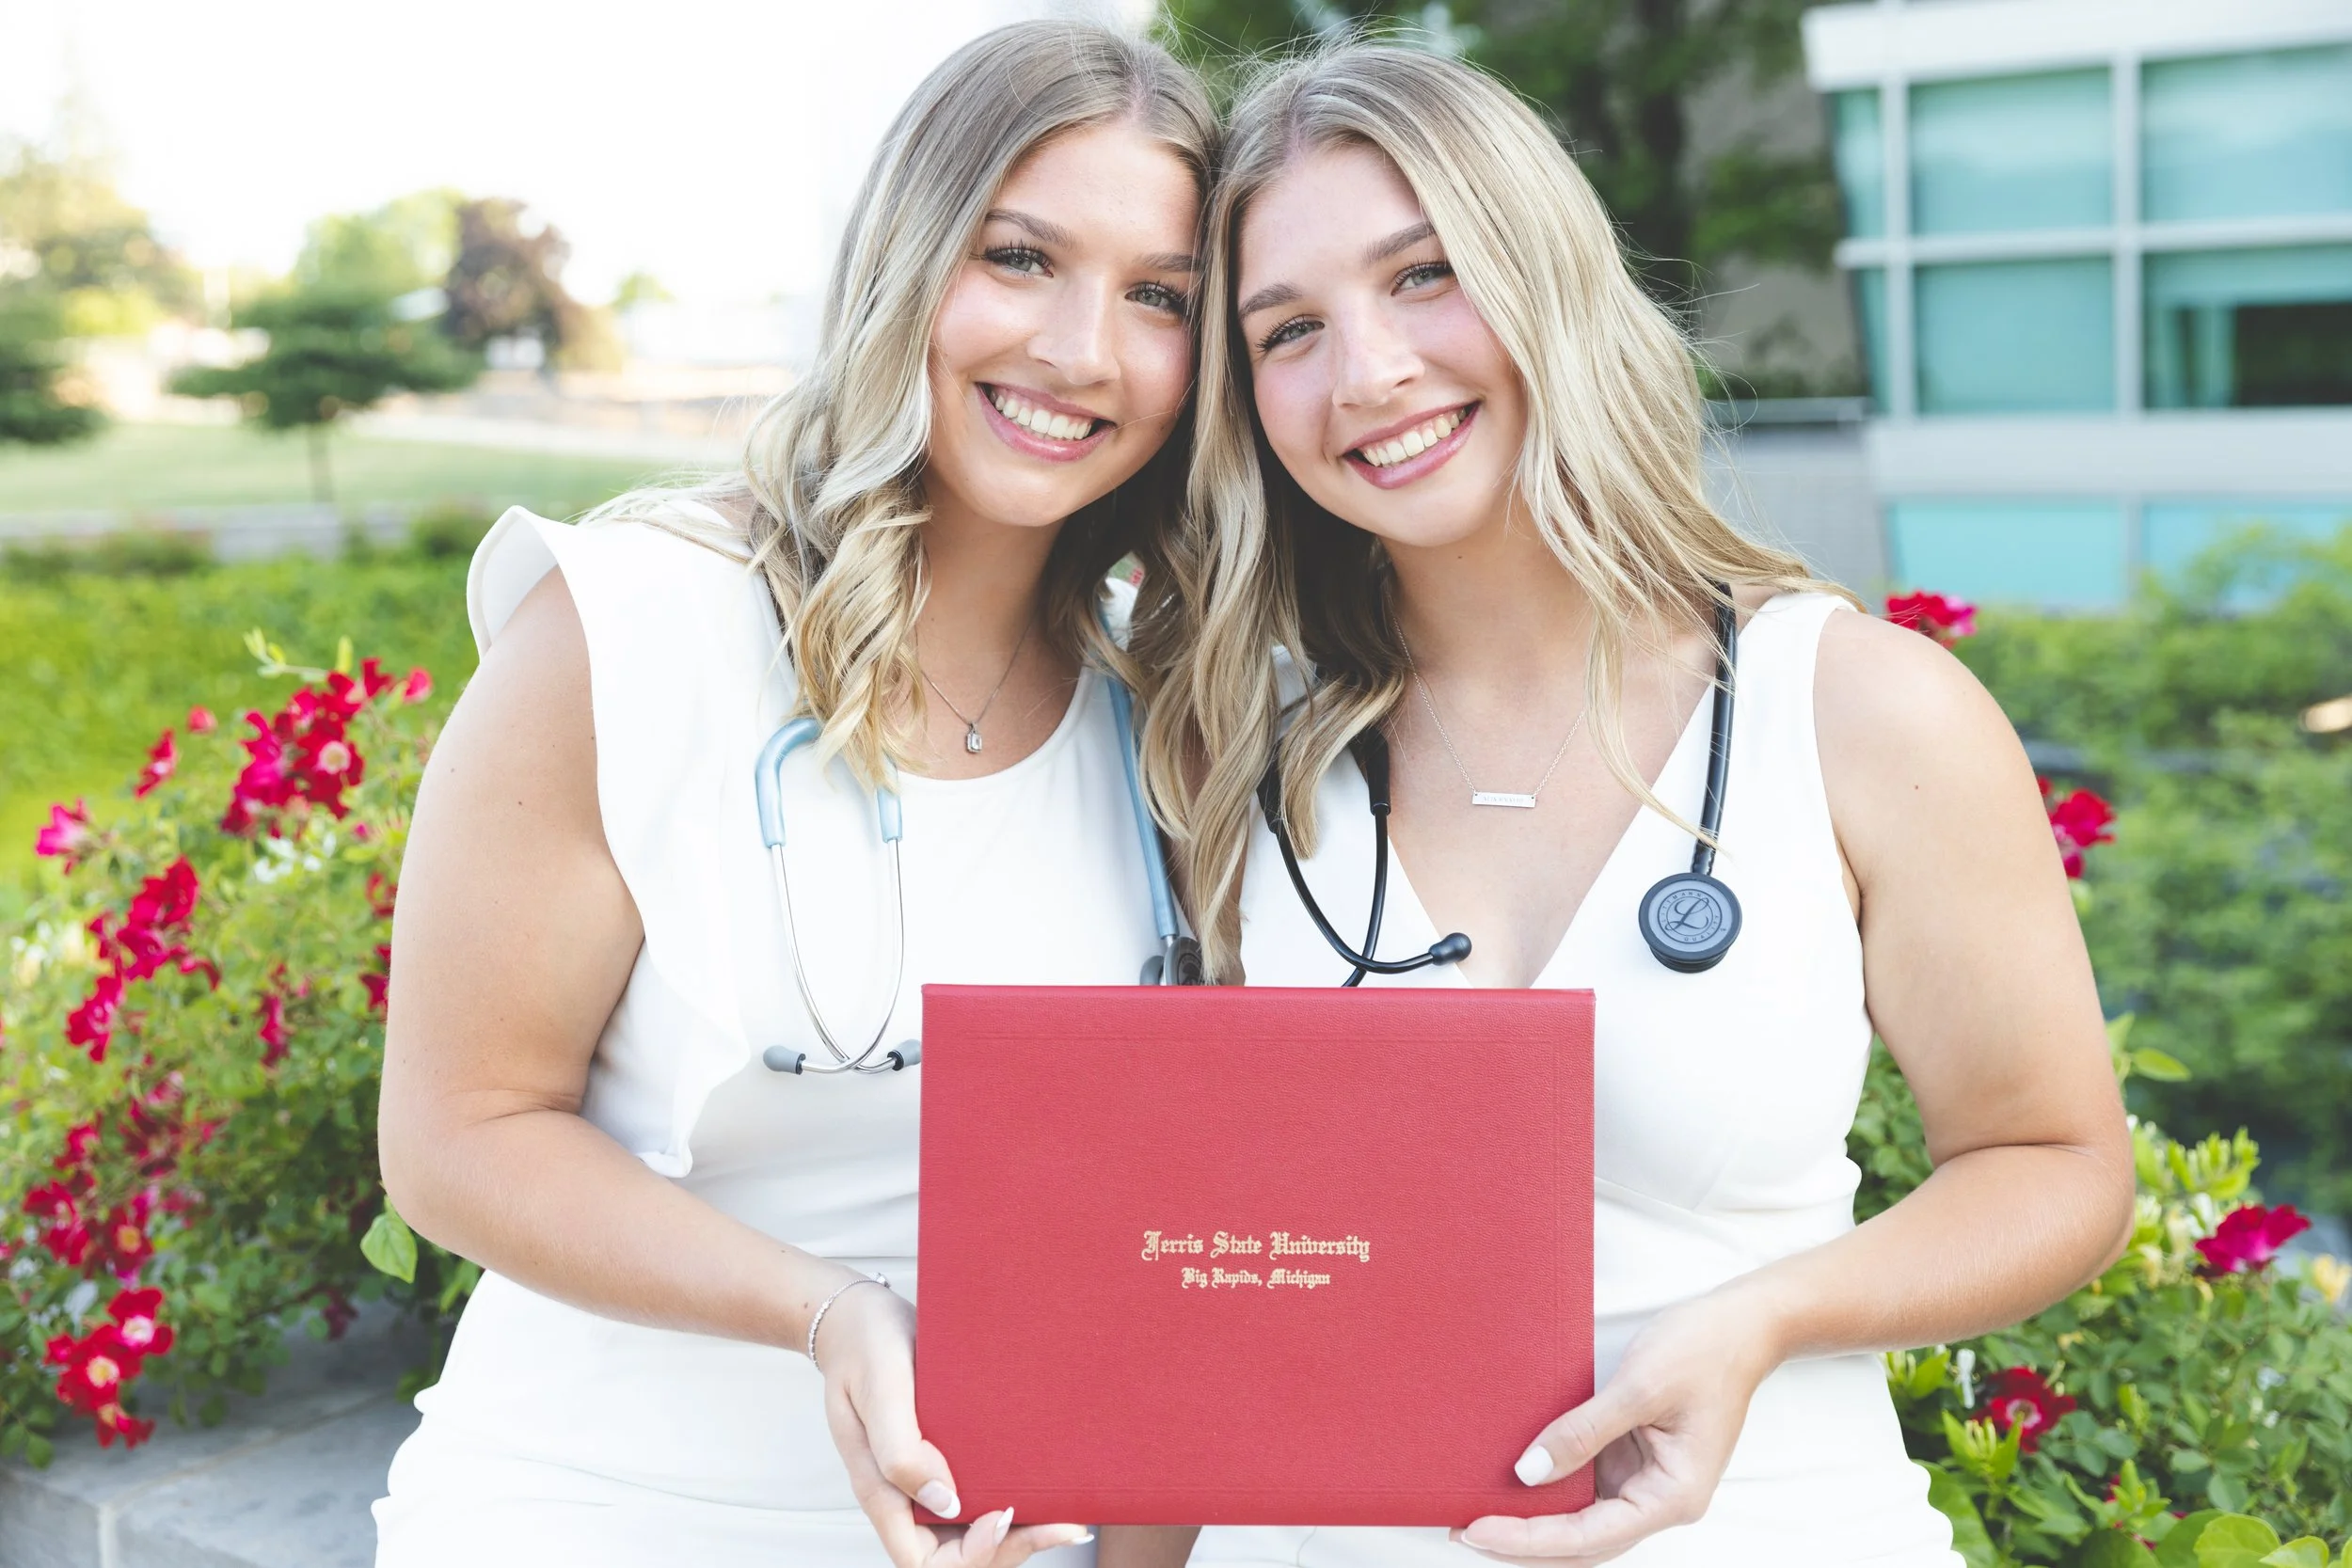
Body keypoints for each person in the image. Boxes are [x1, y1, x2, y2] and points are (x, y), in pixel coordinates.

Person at [1116, 43, 2135, 1568]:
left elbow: (2057, 1163)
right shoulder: (1225, 750)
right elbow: (1187, 1296)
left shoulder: (1851, 709)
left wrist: (1762, 1314)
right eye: (1287, 331)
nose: (1369, 373)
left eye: (1425, 275)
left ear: (1546, 278)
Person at [372, 23, 1216, 1568]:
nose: (1085, 347)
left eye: (1158, 295)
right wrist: (827, 1310)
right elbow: (458, 1133)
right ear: (908, 262)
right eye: (1021, 256)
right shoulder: (634, 630)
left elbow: (1178, 1235)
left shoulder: (1166, 718)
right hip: (606, 1505)